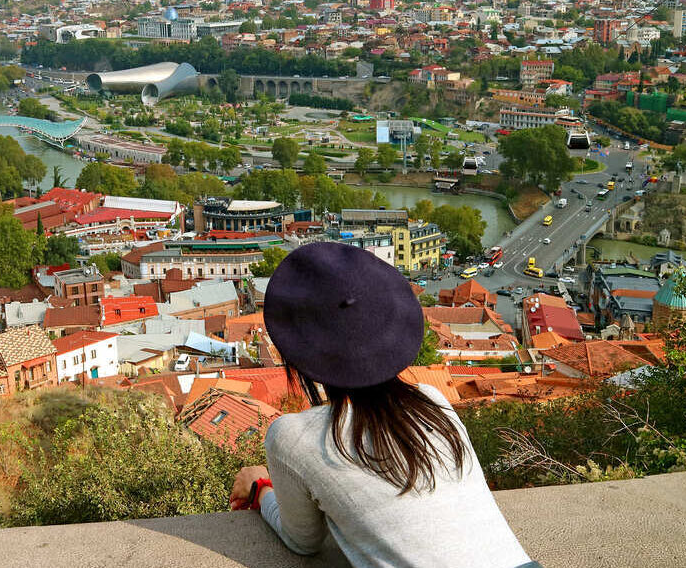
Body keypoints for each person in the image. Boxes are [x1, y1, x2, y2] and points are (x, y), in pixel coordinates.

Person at [230, 242, 537, 568]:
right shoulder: (434, 402)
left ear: (299, 358)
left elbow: (302, 541)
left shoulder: (292, 436)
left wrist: (260, 488)